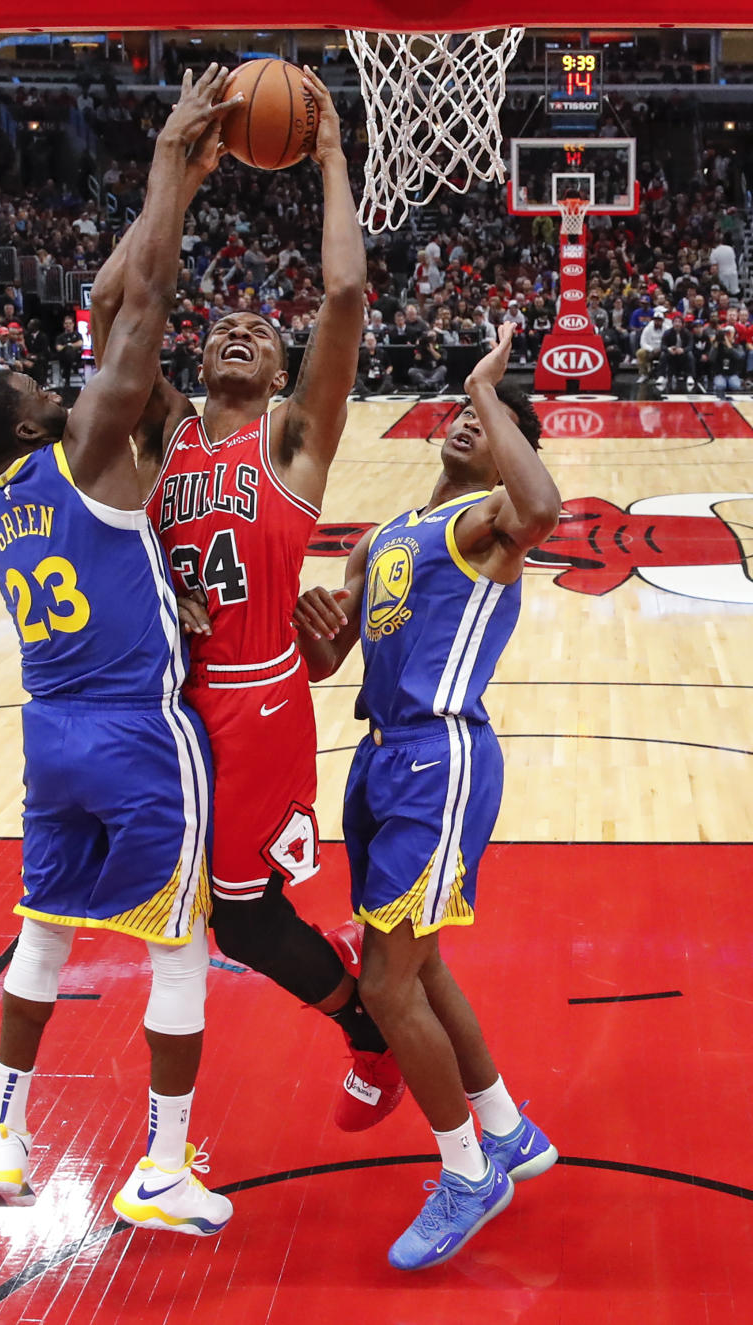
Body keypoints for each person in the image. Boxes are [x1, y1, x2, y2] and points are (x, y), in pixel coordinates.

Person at [0, 65, 242, 1234]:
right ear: (34, 420)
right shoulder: (88, 451)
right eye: (41, 385)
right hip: (134, 730)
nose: (59, 383)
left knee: (42, 932)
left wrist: (173, 179)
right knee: (179, 941)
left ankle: (4, 1139)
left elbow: (109, 295)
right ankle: (163, 1168)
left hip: (48, 741)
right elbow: (145, 303)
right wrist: (171, 160)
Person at [88, 66, 405, 1132]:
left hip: (257, 696)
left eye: (263, 333)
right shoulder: (161, 425)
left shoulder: (292, 440)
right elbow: (117, 305)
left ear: (281, 374)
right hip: (166, 702)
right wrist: (171, 171)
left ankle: (369, 1027)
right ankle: (347, 1006)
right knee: (192, 911)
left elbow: (346, 298)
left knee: (240, 917)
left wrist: (326, 156)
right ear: (197, 356)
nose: (239, 329)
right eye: (222, 322)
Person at [292, 322, 560, 1270]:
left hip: (440, 759)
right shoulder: (382, 537)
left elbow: (542, 507)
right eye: (459, 414)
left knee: (385, 982)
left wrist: (491, 386)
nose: (463, 424)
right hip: (379, 757)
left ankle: (467, 1173)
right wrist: (310, 623)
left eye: (482, 423)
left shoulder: (490, 524)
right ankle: (506, 1128)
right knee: (423, 964)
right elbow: (330, 660)